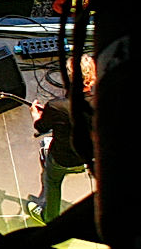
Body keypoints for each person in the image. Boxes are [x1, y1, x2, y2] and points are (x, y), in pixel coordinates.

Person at [26, 53, 95, 224]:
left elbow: (41, 127)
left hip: (62, 158)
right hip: (89, 155)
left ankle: (49, 217)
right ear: (92, 79)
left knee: (52, 181)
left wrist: (36, 115)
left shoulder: (57, 106)